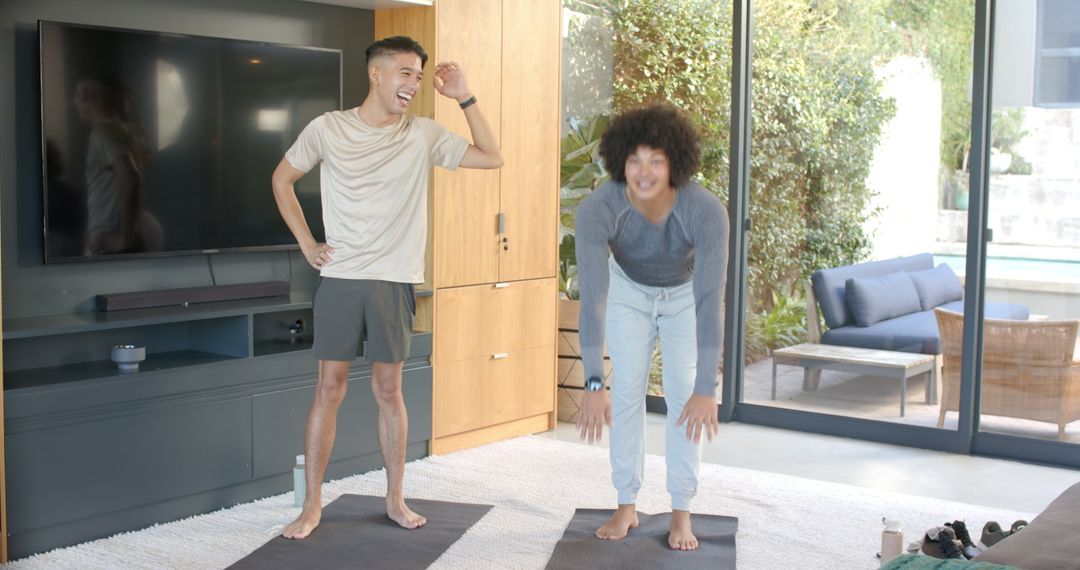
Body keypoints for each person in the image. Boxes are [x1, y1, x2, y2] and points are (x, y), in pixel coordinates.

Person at [271, 35, 502, 540]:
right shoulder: (328, 128)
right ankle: (312, 506)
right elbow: (282, 179)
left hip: (394, 279)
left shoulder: (421, 133)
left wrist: (465, 96)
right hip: (341, 278)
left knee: (389, 390)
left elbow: (492, 156)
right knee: (327, 389)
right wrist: (308, 245)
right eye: (405, 73)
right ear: (375, 74)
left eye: (418, 76)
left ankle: (395, 498)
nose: (414, 84)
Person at [574, 104, 729, 551]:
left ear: (674, 163)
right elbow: (594, 299)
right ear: (621, 161)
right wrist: (592, 381)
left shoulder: (704, 210)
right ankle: (627, 503)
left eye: (656, 160)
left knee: (685, 398)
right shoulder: (599, 208)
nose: (644, 172)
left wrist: (707, 387)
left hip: (684, 295)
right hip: (628, 290)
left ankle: (682, 510)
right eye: (635, 160)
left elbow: (709, 301)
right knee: (624, 394)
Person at [73, 75, 161, 254]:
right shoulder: (125, 131)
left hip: (108, 247)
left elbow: (130, 177)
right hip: (121, 244)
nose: (74, 102)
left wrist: (123, 240)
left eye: (75, 95)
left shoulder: (103, 133)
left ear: (83, 94)